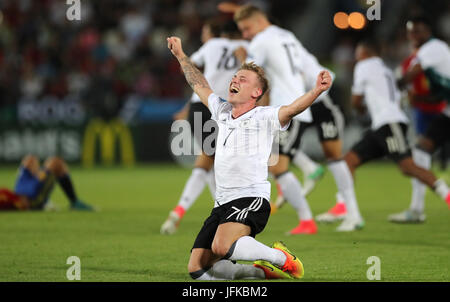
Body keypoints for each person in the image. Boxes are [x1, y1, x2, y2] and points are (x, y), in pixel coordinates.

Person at [167, 35, 332, 280]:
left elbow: (292, 109)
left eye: (242, 79)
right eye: (234, 78)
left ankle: (281, 258)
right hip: (221, 204)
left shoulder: (264, 116)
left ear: (256, 91)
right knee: (198, 268)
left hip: (249, 198)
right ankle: (258, 273)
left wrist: (317, 90)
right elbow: (199, 83)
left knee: (221, 247)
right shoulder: (221, 110)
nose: (234, 80)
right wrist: (181, 55)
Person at [232, 4, 349, 234]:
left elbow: (250, 76)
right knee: (275, 164)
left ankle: (307, 219)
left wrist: (242, 59)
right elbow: (308, 67)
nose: (245, 35)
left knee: (278, 165)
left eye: (246, 29)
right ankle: (306, 205)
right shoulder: (287, 35)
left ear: (257, 22)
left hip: (287, 109)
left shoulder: (260, 41)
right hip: (294, 106)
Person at [331, 40, 450, 231]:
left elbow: (355, 100)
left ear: (364, 52)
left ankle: (446, 194)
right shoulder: (385, 69)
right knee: (349, 161)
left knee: (407, 166)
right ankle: (349, 212)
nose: (356, 56)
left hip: (389, 124)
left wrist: (359, 109)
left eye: (358, 52)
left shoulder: (364, 65)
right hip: (383, 125)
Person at [160, 20, 248, 234]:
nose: (203, 36)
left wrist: (186, 108)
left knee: (209, 160)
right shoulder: (243, 49)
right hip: (225, 108)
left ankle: (186, 212)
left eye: (204, 32)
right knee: (213, 161)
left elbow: (190, 69)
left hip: (201, 106)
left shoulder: (210, 46)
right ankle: (215, 212)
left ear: (212, 33)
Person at [390, 17, 450, 222]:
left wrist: (387, 86)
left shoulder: (433, 48)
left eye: (418, 31)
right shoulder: (428, 53)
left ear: (428, 31)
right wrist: (420, 98)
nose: (413, 36)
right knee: (421, 149)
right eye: (411, 32)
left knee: (420, 151)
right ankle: (416, 210)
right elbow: (440, 94)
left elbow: (408, 77)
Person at [0, 154, 93, 211]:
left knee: (30, 158)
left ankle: (40, 177)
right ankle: (74, 202)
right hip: (30, 200)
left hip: (21, 191)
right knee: (56, 163)